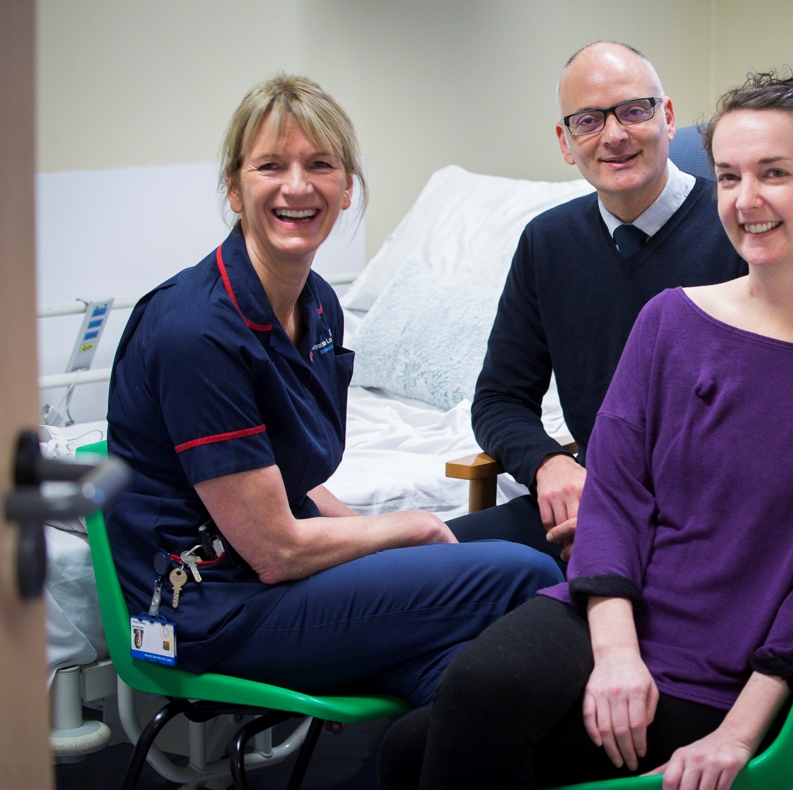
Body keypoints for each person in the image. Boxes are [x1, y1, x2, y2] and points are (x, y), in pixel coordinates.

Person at [378, 71, 793, 790]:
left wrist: (738, 734)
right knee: (470, 693)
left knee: (422, 749)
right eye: (727, 177)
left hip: (729, 660)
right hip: (613, 608)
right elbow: (615, 499)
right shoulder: (670, 319)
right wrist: (617, 653)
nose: (745, 201)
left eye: (773, 173)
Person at [105, 75, 561, 707]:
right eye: (270, 165)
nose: (298, 186)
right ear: (234, 189)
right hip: (210, 615)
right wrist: (416, 530)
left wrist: (384, 550)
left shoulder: (317, 304)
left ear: (348, 188)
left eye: (320, 165)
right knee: (526, 574)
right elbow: (275, 550)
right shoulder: (196, 331)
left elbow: (287, 473)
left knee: (476, 677)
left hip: (278, 582)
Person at [448, 42, 745, 566]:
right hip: (587, 504)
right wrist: (548, 465)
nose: (614, 136)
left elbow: (767, 421)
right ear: (566, 142)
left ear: (668, 117)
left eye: (633, 111)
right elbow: (499, 399)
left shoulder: (737, 232)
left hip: (704, 525)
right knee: (424, 567)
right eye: (587, 120)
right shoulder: (548, 242)